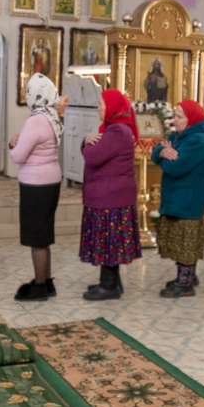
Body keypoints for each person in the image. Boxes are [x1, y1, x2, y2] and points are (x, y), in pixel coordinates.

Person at [79, 89, 140, 300]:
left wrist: (85, 142)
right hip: (111, 195)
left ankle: (109, 286)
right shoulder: (116, 128)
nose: (98, 108)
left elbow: (92, 157)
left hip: (112, 197)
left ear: (112, 106)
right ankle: (112, 282)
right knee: (109, 241)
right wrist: (87, 142)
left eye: (101, 104)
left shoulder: (117, 131)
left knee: (109, 242)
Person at [151, 100, 204, 298]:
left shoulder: (197, 140)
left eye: (179, 117)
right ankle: (185, 276)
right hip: (177, 197)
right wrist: (162, 151)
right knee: (178, 239)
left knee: (187, 241)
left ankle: (185, 284)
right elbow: (155, 152)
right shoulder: (178, 135)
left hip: (189, 199)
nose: (175, 120)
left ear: (191, 119)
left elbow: (175, 167)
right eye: (175, 116)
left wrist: (163, 158)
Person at [10, 73, 64, 301]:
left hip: (36, 183)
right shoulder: (51, 116)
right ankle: (47, 281)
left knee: (36, 238)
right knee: (43, 235)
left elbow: (18, 156)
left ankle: (40, 286)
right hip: (50, 179)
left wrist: (13, 144)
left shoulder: (36, 120)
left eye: (28, 91)